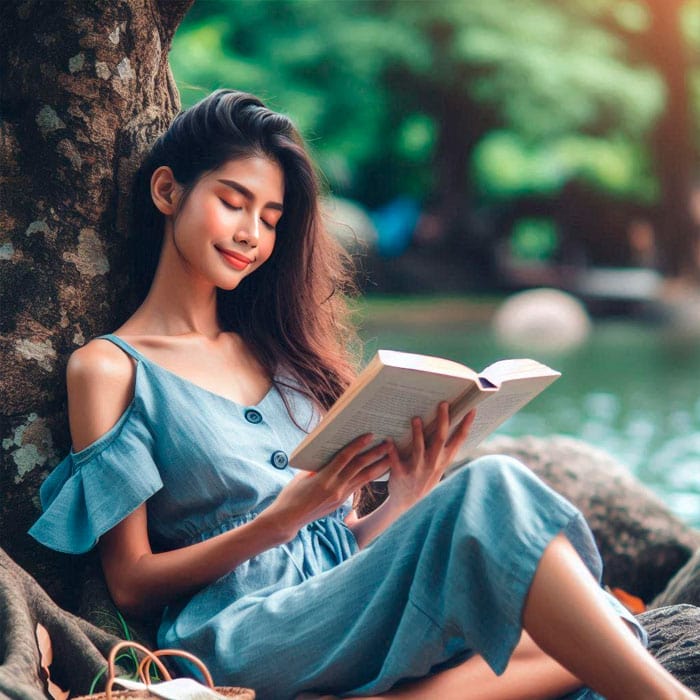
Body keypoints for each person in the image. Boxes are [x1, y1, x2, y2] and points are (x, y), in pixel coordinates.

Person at [29, 90, 696, 700]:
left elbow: (336, 546)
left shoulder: (280, 354)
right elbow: (131, 581)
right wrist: (280, 519)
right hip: (238, 637)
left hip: (335, 609)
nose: (250, 234)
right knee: (495, 493)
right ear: (169, 190)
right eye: (232, 201)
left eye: (270, 217)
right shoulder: (111, 368)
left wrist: (403, 499)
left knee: (597, 622)